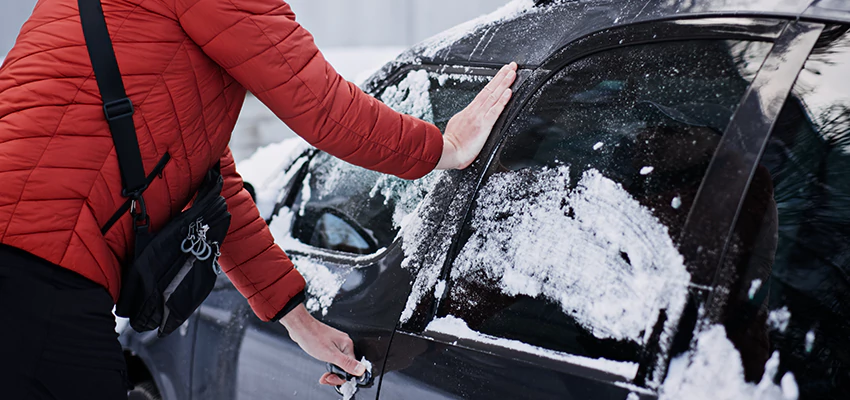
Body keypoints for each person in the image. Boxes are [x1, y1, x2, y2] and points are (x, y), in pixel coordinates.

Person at [0, 0, 517, 398]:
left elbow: (209, 185)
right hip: (35, 272)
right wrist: (443, 148)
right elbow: (321, 106)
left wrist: (295, 316)